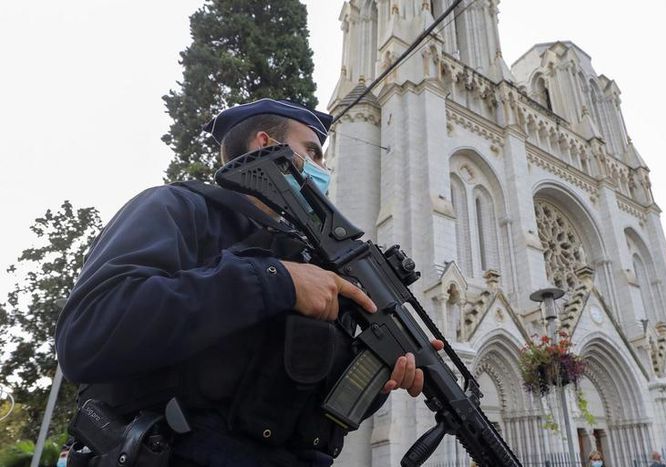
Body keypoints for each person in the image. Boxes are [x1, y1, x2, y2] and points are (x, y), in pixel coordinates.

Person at [56, 98, 442, 467]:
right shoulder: (179, 209)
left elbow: (301, 402)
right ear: (267, 145)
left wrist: (375, 377)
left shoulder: (312, 263)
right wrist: (276, 281)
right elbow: (89, 330)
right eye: (313, 152)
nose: (324, 168)